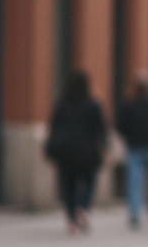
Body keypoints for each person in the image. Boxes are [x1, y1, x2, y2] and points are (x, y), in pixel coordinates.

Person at [45, 71, 107, 234]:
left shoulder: (63, 103)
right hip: (87, 152)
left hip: (66, 152)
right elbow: (101, 130)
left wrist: (50, 148)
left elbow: (54, 127)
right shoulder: (93, 104)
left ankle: (72, 219)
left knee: (68, 185)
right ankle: (83, 207)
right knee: (89, 181)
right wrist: (105, 147)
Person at [115, 71, 148, 229]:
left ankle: (144, 212)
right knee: (141, 182)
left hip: (144, 147)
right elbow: (121, 125)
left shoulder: (147, 104)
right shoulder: (134, 104)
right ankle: (143, 212)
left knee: (141, 182)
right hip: (140, 148)